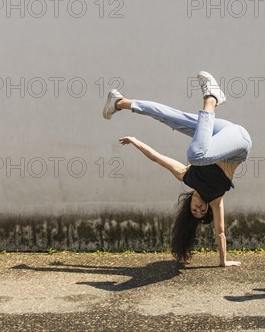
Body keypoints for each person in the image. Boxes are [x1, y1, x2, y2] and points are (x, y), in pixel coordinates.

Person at [102, 71, 252, 267]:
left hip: (222, 132)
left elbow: (156, 158)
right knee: (196, 155)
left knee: (170, 118)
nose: (198, 209)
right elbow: (220, 231)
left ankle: (119, 102)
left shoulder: (185, 175)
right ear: (207, 207)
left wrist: (136, 141)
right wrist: (224, 261)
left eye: (195, 211)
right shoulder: (216, 199)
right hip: (239, 143)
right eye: (202, 211)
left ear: (190, 204)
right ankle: (211, 98)